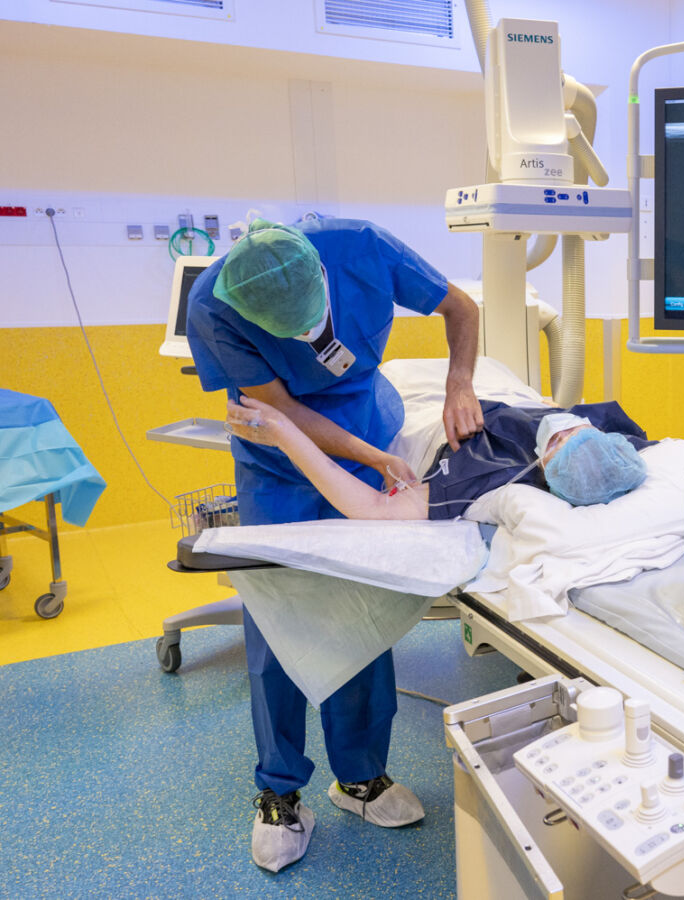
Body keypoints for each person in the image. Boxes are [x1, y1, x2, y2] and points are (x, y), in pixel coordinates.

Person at [186, 217, 484, 873]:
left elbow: (459, 306)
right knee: (277, 615)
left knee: (360, 607)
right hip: (280, 455)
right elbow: (280, 410)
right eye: (285, 335)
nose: (306, 340)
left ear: (325, 277)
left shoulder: (359, 247)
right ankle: (280, 791)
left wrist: (460, 382)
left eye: (311, 324)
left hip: (367, 426)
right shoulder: (213, 302)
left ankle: (359, 777)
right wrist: (368, 456)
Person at [222, 394, 651, 521]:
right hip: (496, 394)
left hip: (424, 415)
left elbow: (369, 508)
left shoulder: (485, 479)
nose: (564, 431)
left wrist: (286, 434)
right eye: (578, 432)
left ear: (544, 466)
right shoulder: (615, 438)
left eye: (559, 444)